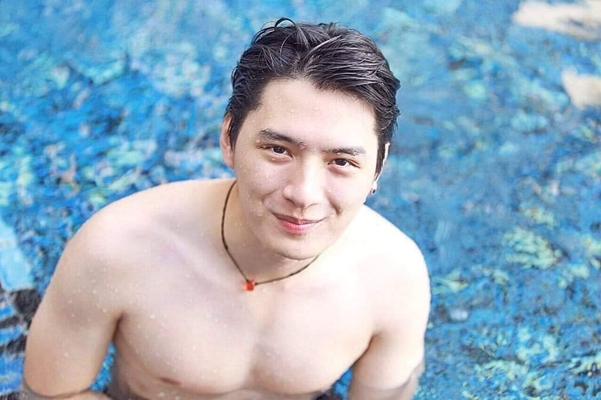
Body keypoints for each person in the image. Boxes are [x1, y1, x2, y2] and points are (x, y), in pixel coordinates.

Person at [22, 17, 430, 400]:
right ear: (229, 138)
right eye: (278, 150)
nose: (304, 194)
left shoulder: (395, 279)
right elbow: (49, 395)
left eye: (341, 161)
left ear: (378, 167)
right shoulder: (118, 249)